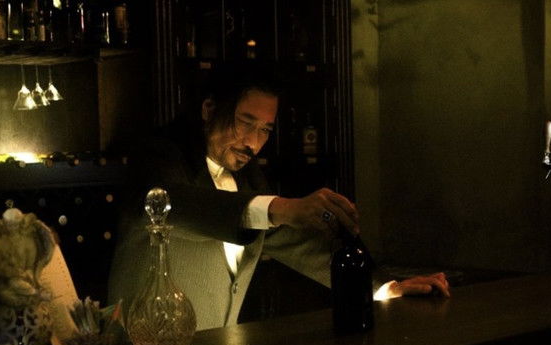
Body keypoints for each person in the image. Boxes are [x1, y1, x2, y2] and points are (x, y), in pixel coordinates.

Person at [108, 64, 449, 331]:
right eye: (245, 123)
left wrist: (386, 288)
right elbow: (171, 205)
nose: (253, 142)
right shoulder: (158, 156)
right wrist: (280, 208)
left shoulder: (247, 176)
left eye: (265, 130)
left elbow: (298, 244)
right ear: (209, 109)